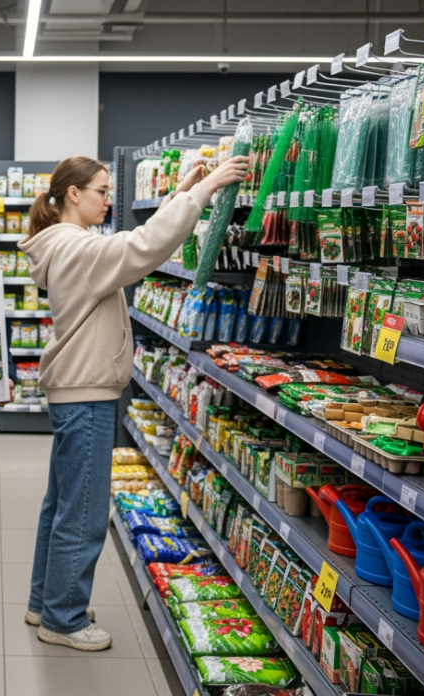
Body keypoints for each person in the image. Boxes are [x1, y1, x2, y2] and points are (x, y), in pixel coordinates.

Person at [17, 154, 250, 651]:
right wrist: (203, 190)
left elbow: (129, 247)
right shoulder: (77, 248)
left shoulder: (64, 244)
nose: (108, 199)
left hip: (76, 388)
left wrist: (183, 191)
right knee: (83, 508)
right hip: (88, 392)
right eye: (101, 190)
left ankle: (45, 600)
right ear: (74, 194)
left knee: (62, 502)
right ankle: (64, 618)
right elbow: (143, 247)